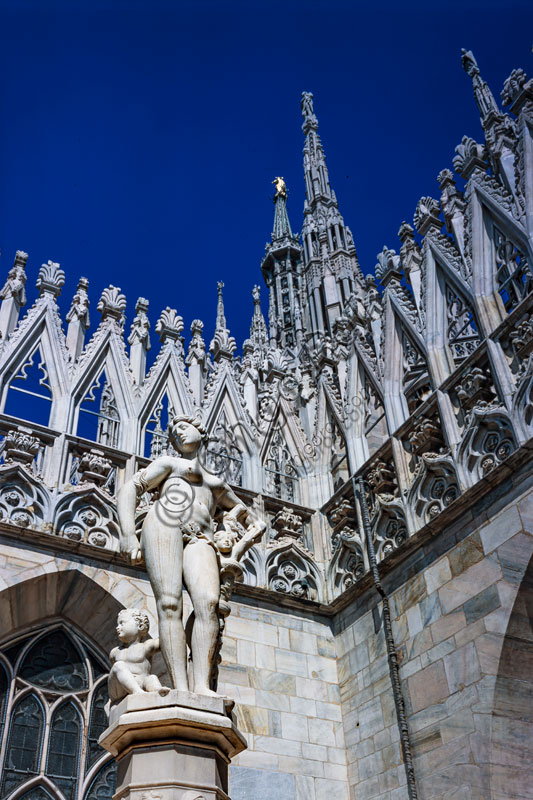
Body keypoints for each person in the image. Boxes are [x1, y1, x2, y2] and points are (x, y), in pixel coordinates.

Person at [117, 415, 265, 696]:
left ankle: (201, 686)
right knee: (170, 604)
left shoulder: (217, 482)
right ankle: (181, 688)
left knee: (208, 604)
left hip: (202, 538)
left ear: (201, 431)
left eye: (183, 428)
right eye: (172, 433)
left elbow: (253, 520)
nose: (177, 435)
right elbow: (131, 488)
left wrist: (241, 538)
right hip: (165, 522)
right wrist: (128, 534)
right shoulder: (170, 464)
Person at [108, 608, 163, 705]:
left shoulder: (146, 646)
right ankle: (137, 692)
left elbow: (166, 640)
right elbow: (114, 675)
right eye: (117, 624)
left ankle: (158, 692)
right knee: (118, 666)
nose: (117, 627)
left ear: (140, 626)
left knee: (151, 678)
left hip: (141, 682)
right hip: (120, 689)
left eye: (122, 623)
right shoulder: (115, 652)